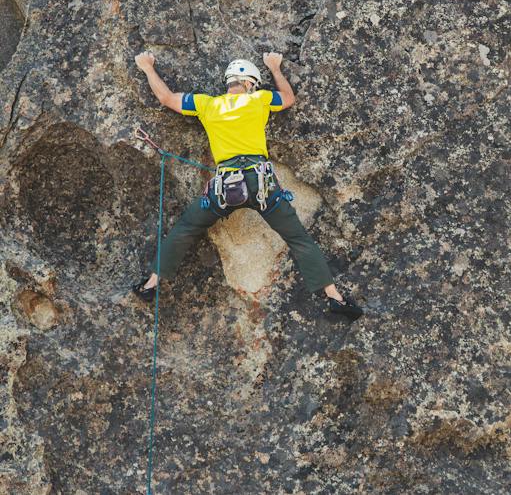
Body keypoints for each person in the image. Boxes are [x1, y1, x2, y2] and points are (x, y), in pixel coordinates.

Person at [131, 50, 362, 319]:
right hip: (260, 184)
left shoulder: (207, 105)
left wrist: (147, 67)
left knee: (186, 228)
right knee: (298, 238)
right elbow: (288, 98)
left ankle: (150, 285)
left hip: (225, 187)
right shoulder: (260, 99)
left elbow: (166, 98)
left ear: (229, 81)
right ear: (251, 83)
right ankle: (335, 298)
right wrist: (275, 68)